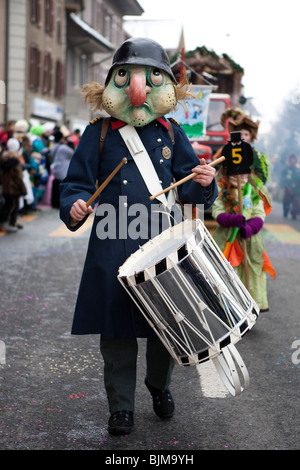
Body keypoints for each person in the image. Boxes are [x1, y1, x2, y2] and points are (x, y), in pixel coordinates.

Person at [59, 37, 218, 436]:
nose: (139, 89)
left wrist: (204, 181)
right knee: (116, 332)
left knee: (167, 324)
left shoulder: (172, 132)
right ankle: (121, 406)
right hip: (111, 245)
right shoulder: (97, 133)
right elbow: (76, 185)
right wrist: (75, 205)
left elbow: (191, 190)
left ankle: (159, 385)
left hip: (160, 242)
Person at [211, 108, 275, 312]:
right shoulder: (222, 188)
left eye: (246, 174)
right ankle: (232, 308)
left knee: (253, 271)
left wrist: (252, 226)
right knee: (228, 272)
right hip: (228, 239)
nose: (241, 178)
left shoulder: (253, 188)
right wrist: (230, 220)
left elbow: (259, 212)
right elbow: (216, 210)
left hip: (250, 239)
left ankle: (251, 306)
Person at [0, 138, 27, 232]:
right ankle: (10, 223)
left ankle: (7, 223)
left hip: (6, 187)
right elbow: (18, 177)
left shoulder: (4, 159)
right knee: (13, 206)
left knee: (7, 205)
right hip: (14, 188)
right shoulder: (15, 161)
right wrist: (23, 189)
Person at [50, 131, 74, 208]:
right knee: (62, 188)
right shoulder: (64, 148)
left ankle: (54, 203)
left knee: (55, 187)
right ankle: (60, 204)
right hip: (63, 169)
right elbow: (73, 153)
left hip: (55, 168)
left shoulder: (54, 146)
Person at [280, 153, 300, 219]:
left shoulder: (298, 168)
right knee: (286, 201)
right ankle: (286, 210)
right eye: (292, 159)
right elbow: (282, 178)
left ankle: (294, 213)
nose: (293, 160)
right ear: (289, 160)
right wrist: (284, 186)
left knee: (296, 201)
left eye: (294, 159)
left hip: (296, 188)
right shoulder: (286, 168)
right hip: (287, 187)